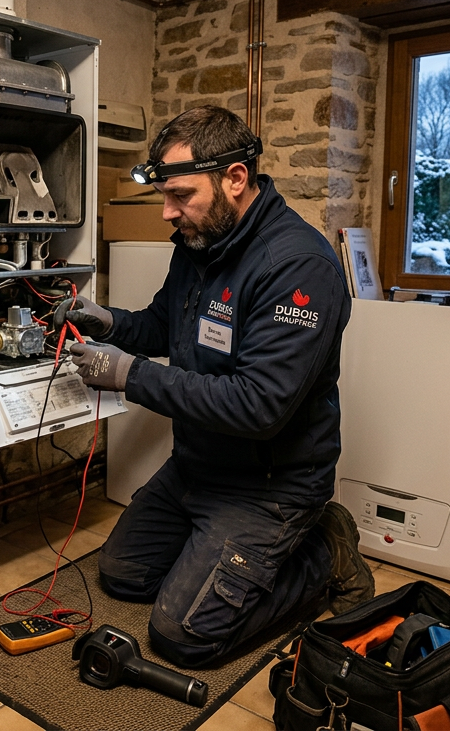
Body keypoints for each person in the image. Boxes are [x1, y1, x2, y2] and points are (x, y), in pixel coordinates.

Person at [56, 105, 373, 668]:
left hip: (270, 484)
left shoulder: (297, 266)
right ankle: (218, 555)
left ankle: (324, 550)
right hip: (198, 467)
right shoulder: (203, 241)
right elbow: (163, 324)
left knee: (183, 636)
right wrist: (105, 320)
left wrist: (128, 375)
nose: (165, 212)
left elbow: (260, 406)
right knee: (122, 574)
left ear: (235, 178)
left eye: (180, 195)